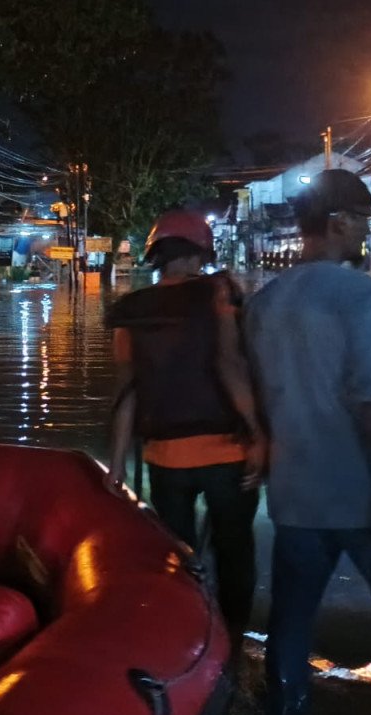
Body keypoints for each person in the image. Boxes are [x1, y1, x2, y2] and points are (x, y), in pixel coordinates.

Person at [244, 169, 371, 715]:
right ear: (337, 223)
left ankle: (286, 707)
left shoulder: (265, 303)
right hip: (363, 495)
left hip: (294, 495)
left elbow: (260, 397)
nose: (366, 228)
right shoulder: (358, 293)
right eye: (360, 218)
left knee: (291, 621)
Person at [105, 209, 266, 648]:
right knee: (234, 554)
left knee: (177, 557)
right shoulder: (218, 294)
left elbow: (126, 393)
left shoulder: (132, 311)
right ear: (200, 253)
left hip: (165, 459)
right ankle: (230, 641)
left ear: (156, 255)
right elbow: (231, 365)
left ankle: (187, 639)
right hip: (227, 455)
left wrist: (116, 469)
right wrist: (257, 432)